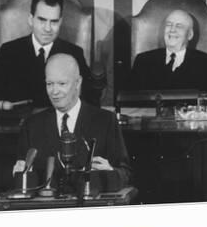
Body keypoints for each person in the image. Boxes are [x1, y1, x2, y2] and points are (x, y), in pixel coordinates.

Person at [14, 54, 131, 191]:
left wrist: (110, 171)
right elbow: (21, 179)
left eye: (62, 84)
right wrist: (19, 174)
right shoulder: (32, 126)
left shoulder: (106, 121)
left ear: (78, 82)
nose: (54, 91)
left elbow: (126, 175)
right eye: (49, 84)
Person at [0, 0, 93, 108]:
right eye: (42, 20)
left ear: (60, 22)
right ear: (31, 19)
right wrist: (2, 104)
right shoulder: (9, 51)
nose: (48, 28)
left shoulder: (74, 53)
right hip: (18, 123)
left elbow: (89, 99)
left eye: (54, 21)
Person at [129, 9, 207, 105]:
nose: (172, 30)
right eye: (169, 25)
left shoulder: (205, 62)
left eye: (179, 26)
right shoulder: (143, 60)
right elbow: (129, 101)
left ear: (190, 35)